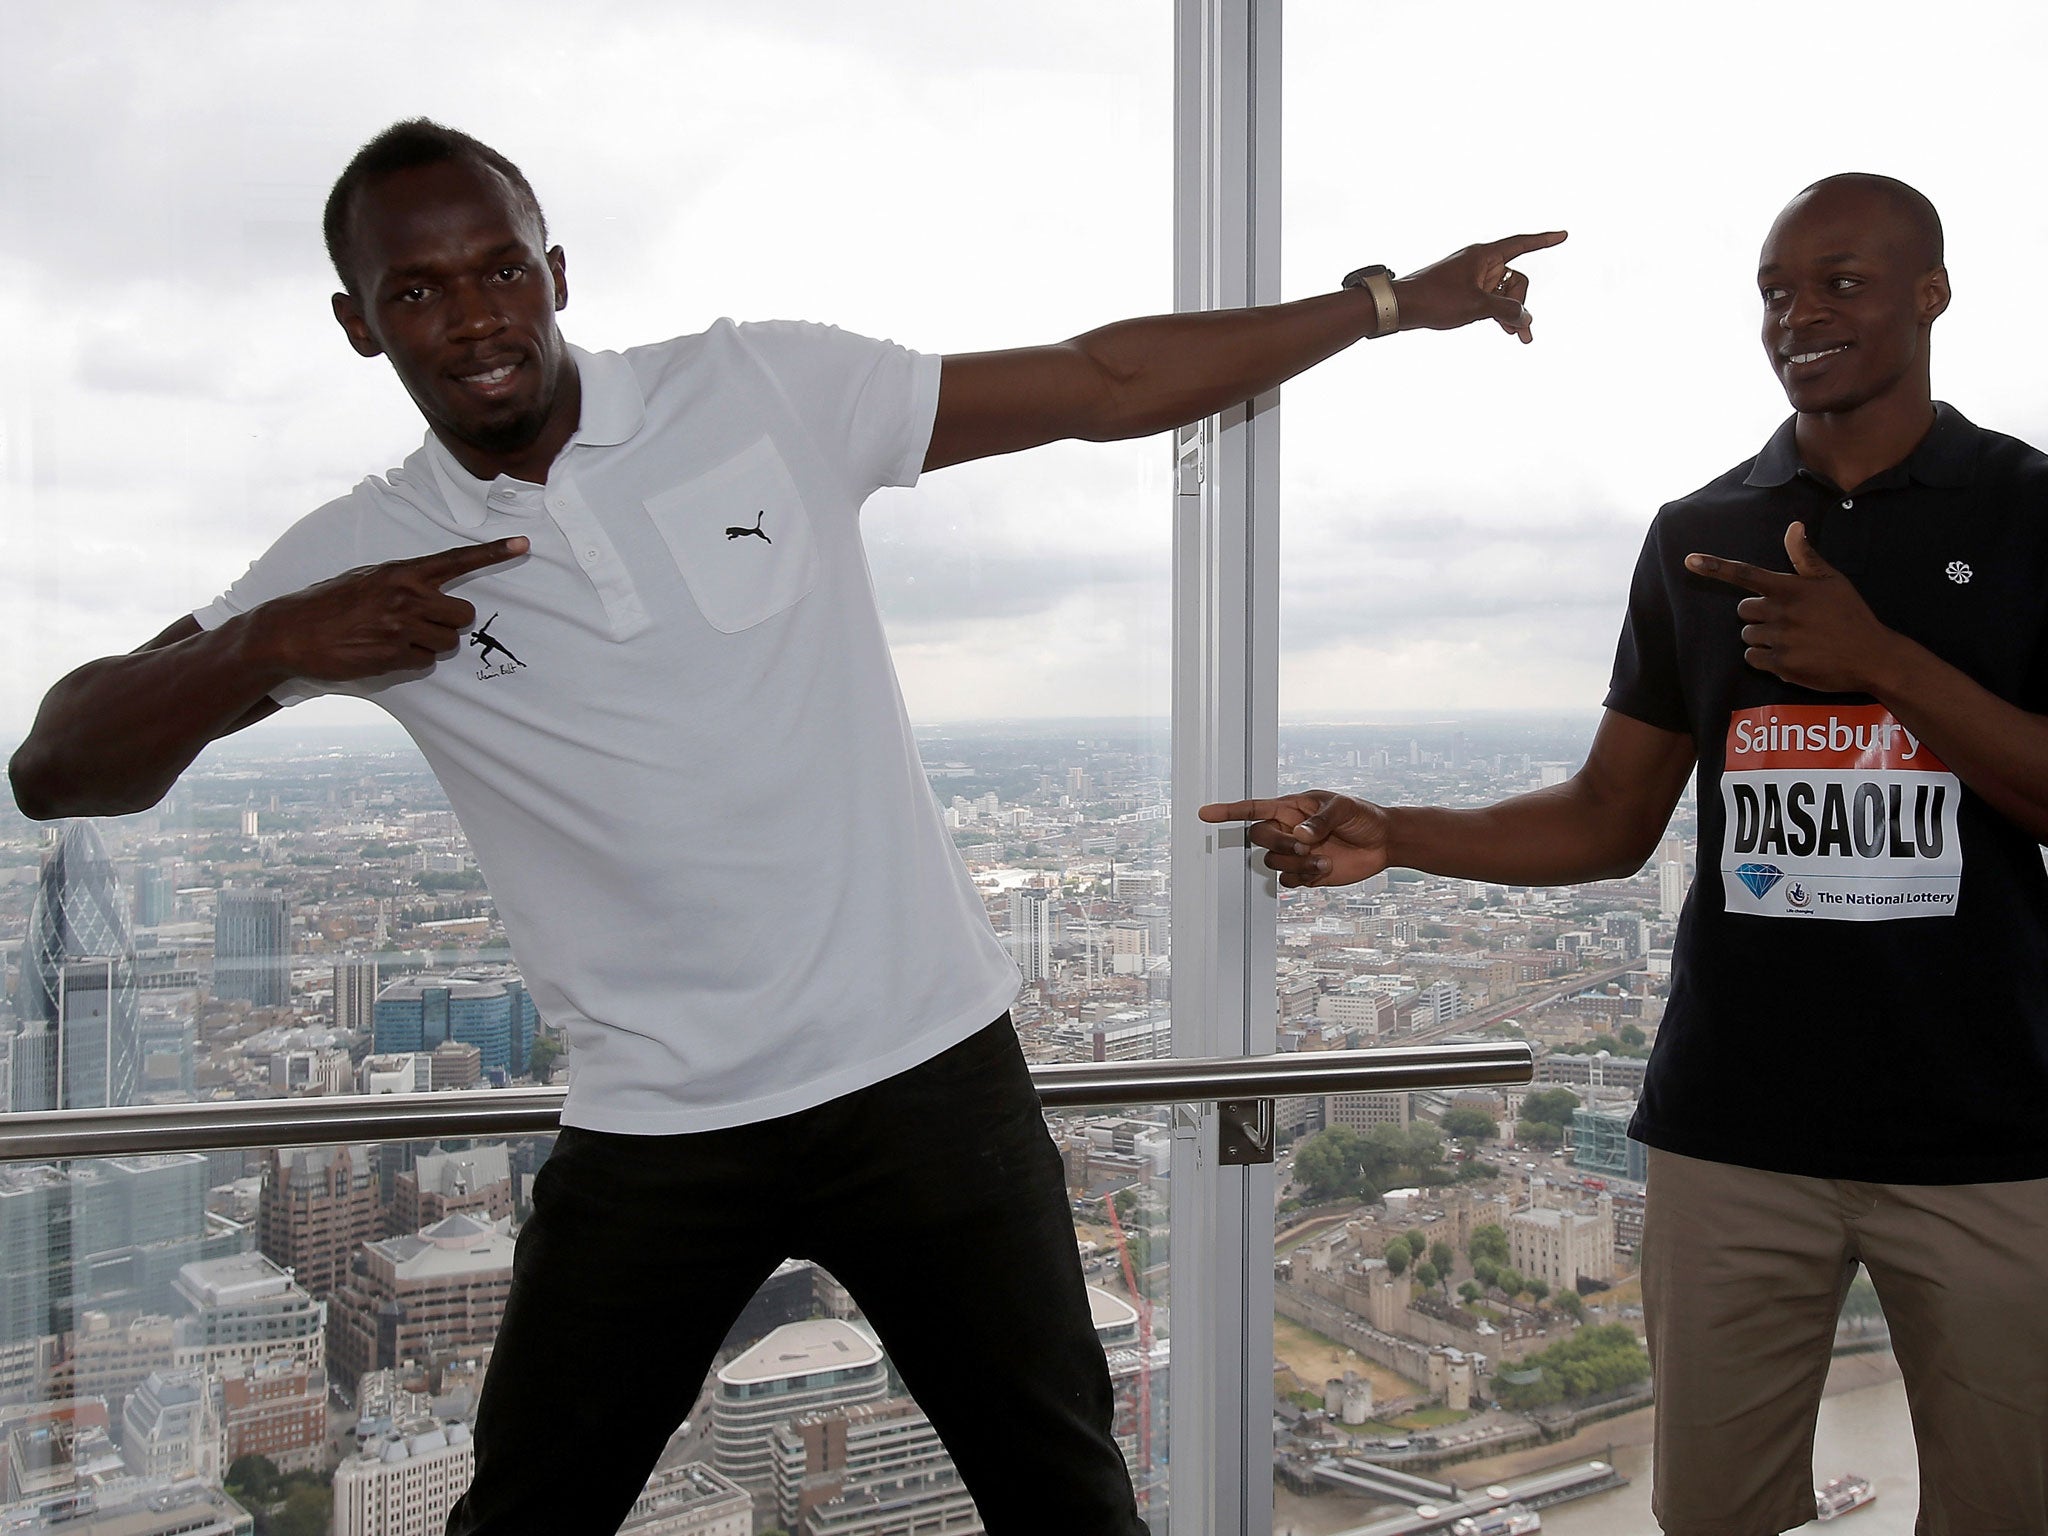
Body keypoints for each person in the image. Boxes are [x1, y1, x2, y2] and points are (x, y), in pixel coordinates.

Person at [8, 119, 1564, 1535]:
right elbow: (58, 768)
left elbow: (1102, 382)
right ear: (357, 324)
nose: (475, 316)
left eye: (498, 270)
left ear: (558, 270)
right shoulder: (358, 549)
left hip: (928, 1081)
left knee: (1067, 1504)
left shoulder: (757, 390)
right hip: (657, 1129)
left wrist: (1382, 305)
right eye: (417, 293)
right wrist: (270, 642)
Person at [1202, 172, 2048, 1535]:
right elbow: (1610, 818)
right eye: (1775, 292)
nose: (1798, 315)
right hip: (1732, 1130)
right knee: (1711, 1516)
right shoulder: (1697, 537)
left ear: (1932, 293)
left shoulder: (2028, 513)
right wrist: (1399, 834)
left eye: (1841, 282)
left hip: (1993, 1124)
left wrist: (1882, 662)